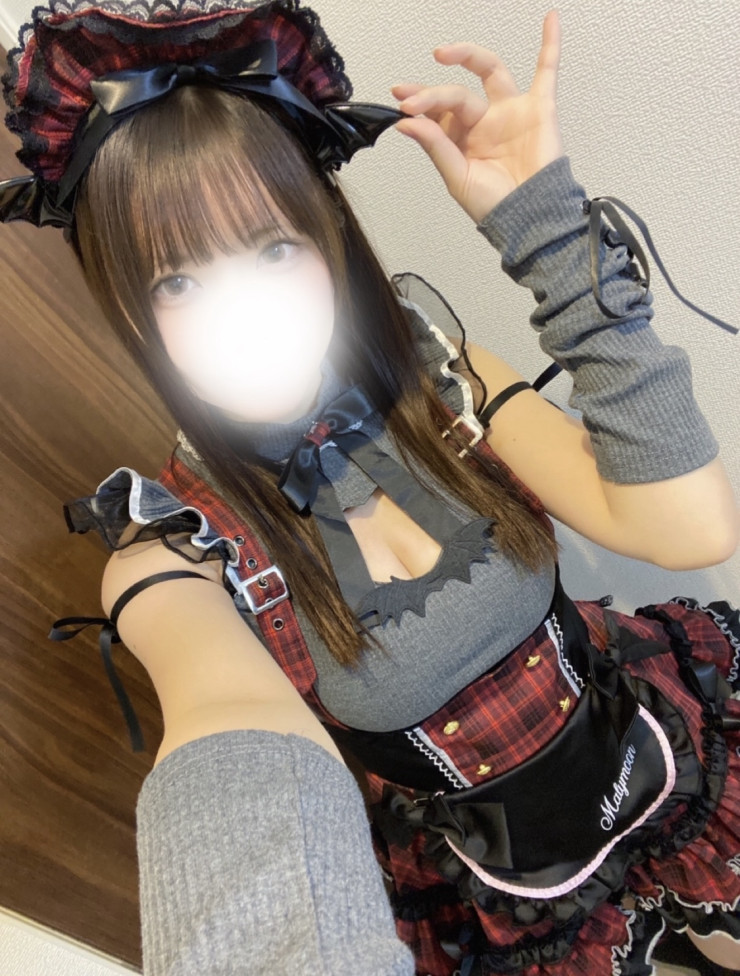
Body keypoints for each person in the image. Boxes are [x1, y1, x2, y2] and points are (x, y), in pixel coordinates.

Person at [2, 1, 740, 974]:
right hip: (501, 884)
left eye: (274, 248)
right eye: (177, 282)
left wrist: (549, 232)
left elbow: (687, 527)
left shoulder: (439, 379)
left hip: (652, 749)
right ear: (130, 312)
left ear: (327, 239)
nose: (244, 312)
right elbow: (228, 735)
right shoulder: (175, 555)